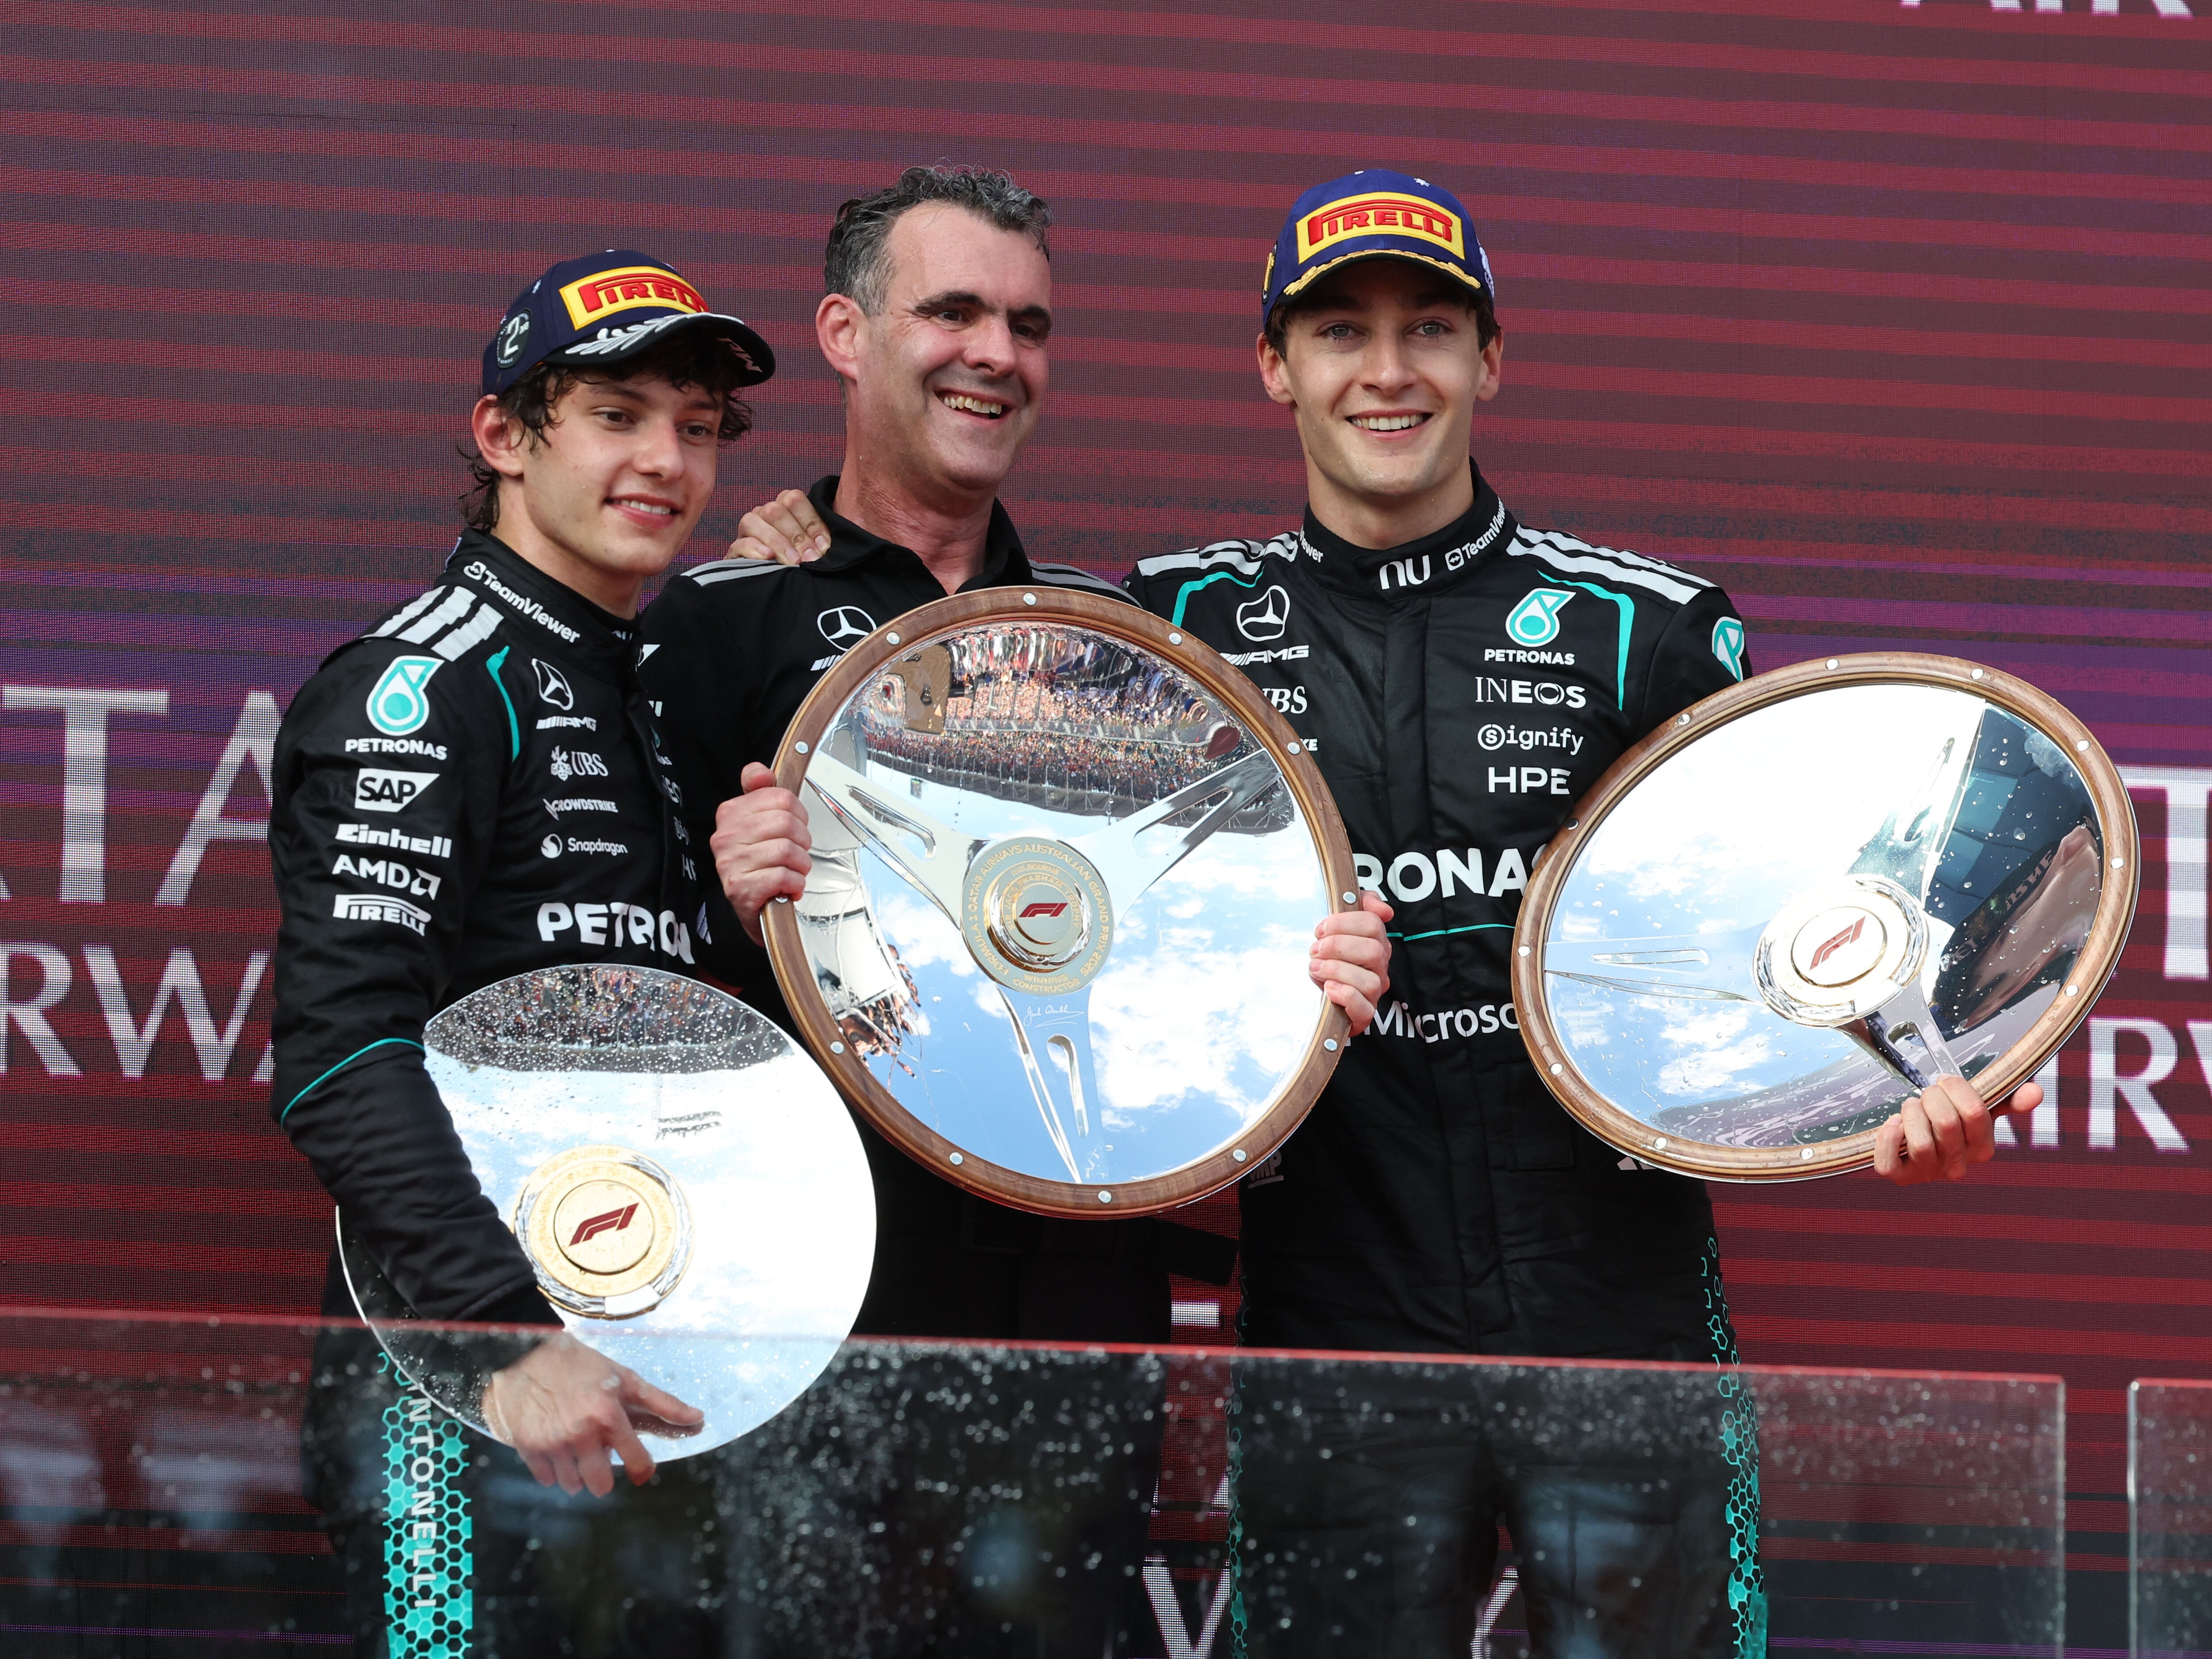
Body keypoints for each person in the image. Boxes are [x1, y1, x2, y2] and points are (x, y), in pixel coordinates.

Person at [736, 169, 2042, 1658]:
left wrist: (1917, 1082)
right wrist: (816, 553)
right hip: (1333, 1323)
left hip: (1618, 1320)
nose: (1388, 371)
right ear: (1274, 367)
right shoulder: (1172, 626)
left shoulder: (1650, 626)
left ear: (1490, 360)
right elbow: (965, 789)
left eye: (1430, 328)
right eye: (1341, 332)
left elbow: (1818, 931)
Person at [638, 164, 1392, 1658]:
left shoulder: (1131, 651)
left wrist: (1304, 970)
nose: (998, 352)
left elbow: (1194, 962)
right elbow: (610, 973)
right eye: (955, 311)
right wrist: (720, 905)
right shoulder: (714, 621)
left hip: (1071, 1317)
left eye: (1030, 323)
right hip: (802, 1319)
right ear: (847, 335)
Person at [268, 249, 773, 1653]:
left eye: (697, 425)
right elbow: (339, 1052)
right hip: (460, 1393)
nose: (667, 458)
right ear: (505, 437)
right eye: (618, 415)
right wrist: (507, 1338)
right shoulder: (423, 685)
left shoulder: (655, 692)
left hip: (639, 1381)